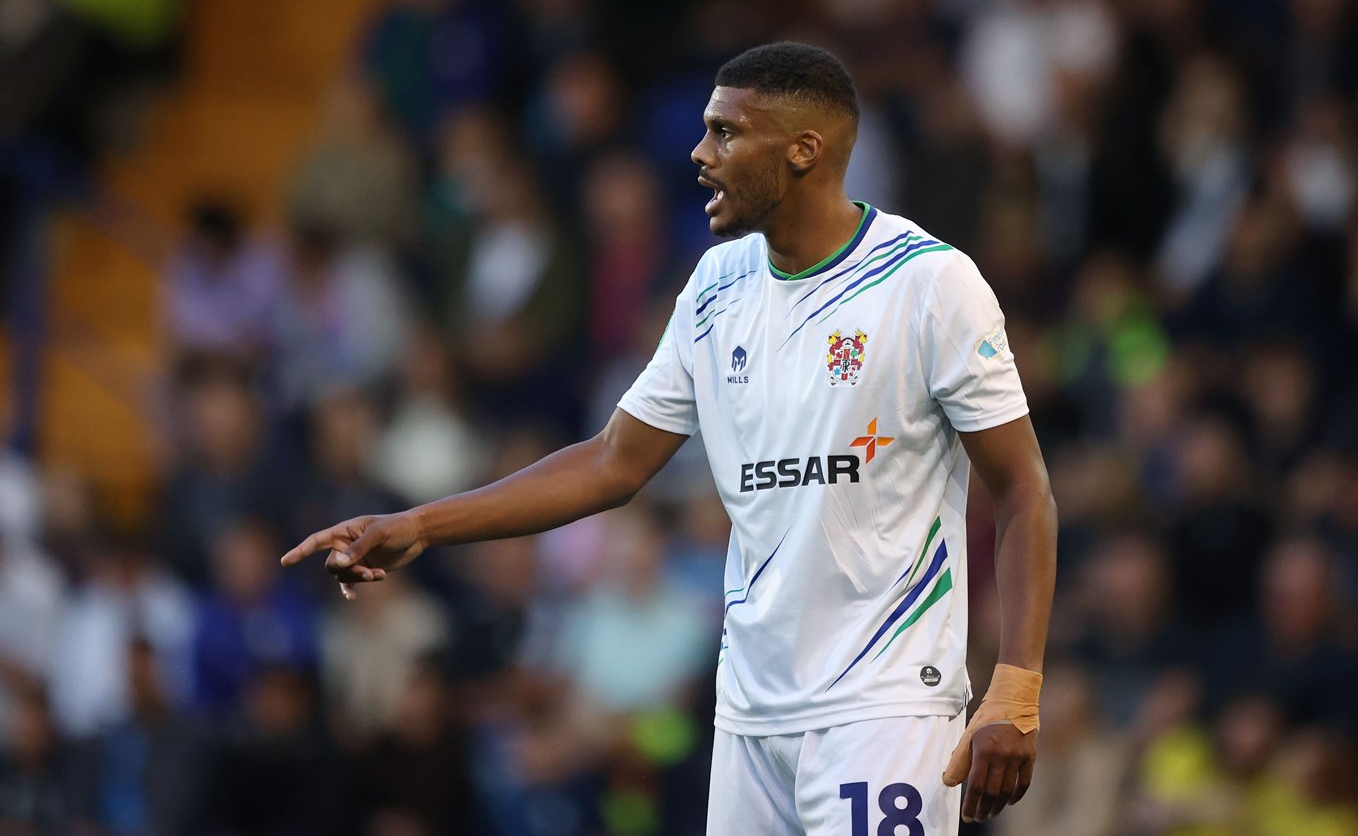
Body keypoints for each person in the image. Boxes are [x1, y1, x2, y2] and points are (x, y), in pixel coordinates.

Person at [282, 41, 1057, 834]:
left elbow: (1022, 487)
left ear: (803, 150)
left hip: (883, 707)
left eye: (725, 132)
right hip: (750, 714)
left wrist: (1016, 688)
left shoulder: (928, 283)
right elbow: (611, 461)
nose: (698, 152)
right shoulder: (716, 286)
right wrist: (421, 525)